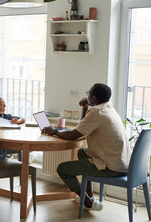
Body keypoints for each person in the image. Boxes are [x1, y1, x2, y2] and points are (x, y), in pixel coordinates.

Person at [41, 83, 131, 211]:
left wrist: (54, 131)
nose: (87, 95)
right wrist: (84, 108)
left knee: (62, 169)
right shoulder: (109, 108)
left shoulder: (96, 112)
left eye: (89, 93)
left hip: (110, 167)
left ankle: (88, 202)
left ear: (94, 98)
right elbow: (81, 128)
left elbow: (74, 135)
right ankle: (88, 196)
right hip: (121, 163)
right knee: (83, 152)